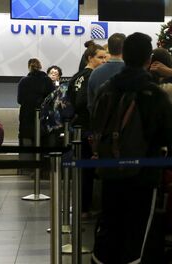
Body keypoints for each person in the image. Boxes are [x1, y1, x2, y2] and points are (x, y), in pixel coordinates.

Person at [91, 32, 172, 263]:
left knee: (109, 227)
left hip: (109, 171)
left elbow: (96, 122)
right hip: (143, 175)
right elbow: (171, 132)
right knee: (136, 234)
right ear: (148, 59)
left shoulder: (107, 88)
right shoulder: (152, 92)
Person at [67, 41, 107, 218]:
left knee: (82, 171)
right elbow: (82, 101)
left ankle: (81, 206)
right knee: (88, 171)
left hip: (76, 127)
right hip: (87, 128)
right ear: (90, 58)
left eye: (105, 57)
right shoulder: (92, 76)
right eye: (100, 57)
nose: (104, 60)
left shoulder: (76, 76)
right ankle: (84, 208)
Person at [17, 58, 55, 175]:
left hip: (27, 117)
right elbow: (52, 99)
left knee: (30, 143)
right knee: (44, 142)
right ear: (41, 66)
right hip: (44, 118)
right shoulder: (47, 81)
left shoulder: (23, 81)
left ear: (29, 67)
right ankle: (44, 170)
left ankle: (31, 170)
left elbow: (20, 100)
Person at [87, 33, 127, 111]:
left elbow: (91, 105)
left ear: (108, 48)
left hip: (101, 120)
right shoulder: (132, 72)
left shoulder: (95, 73)